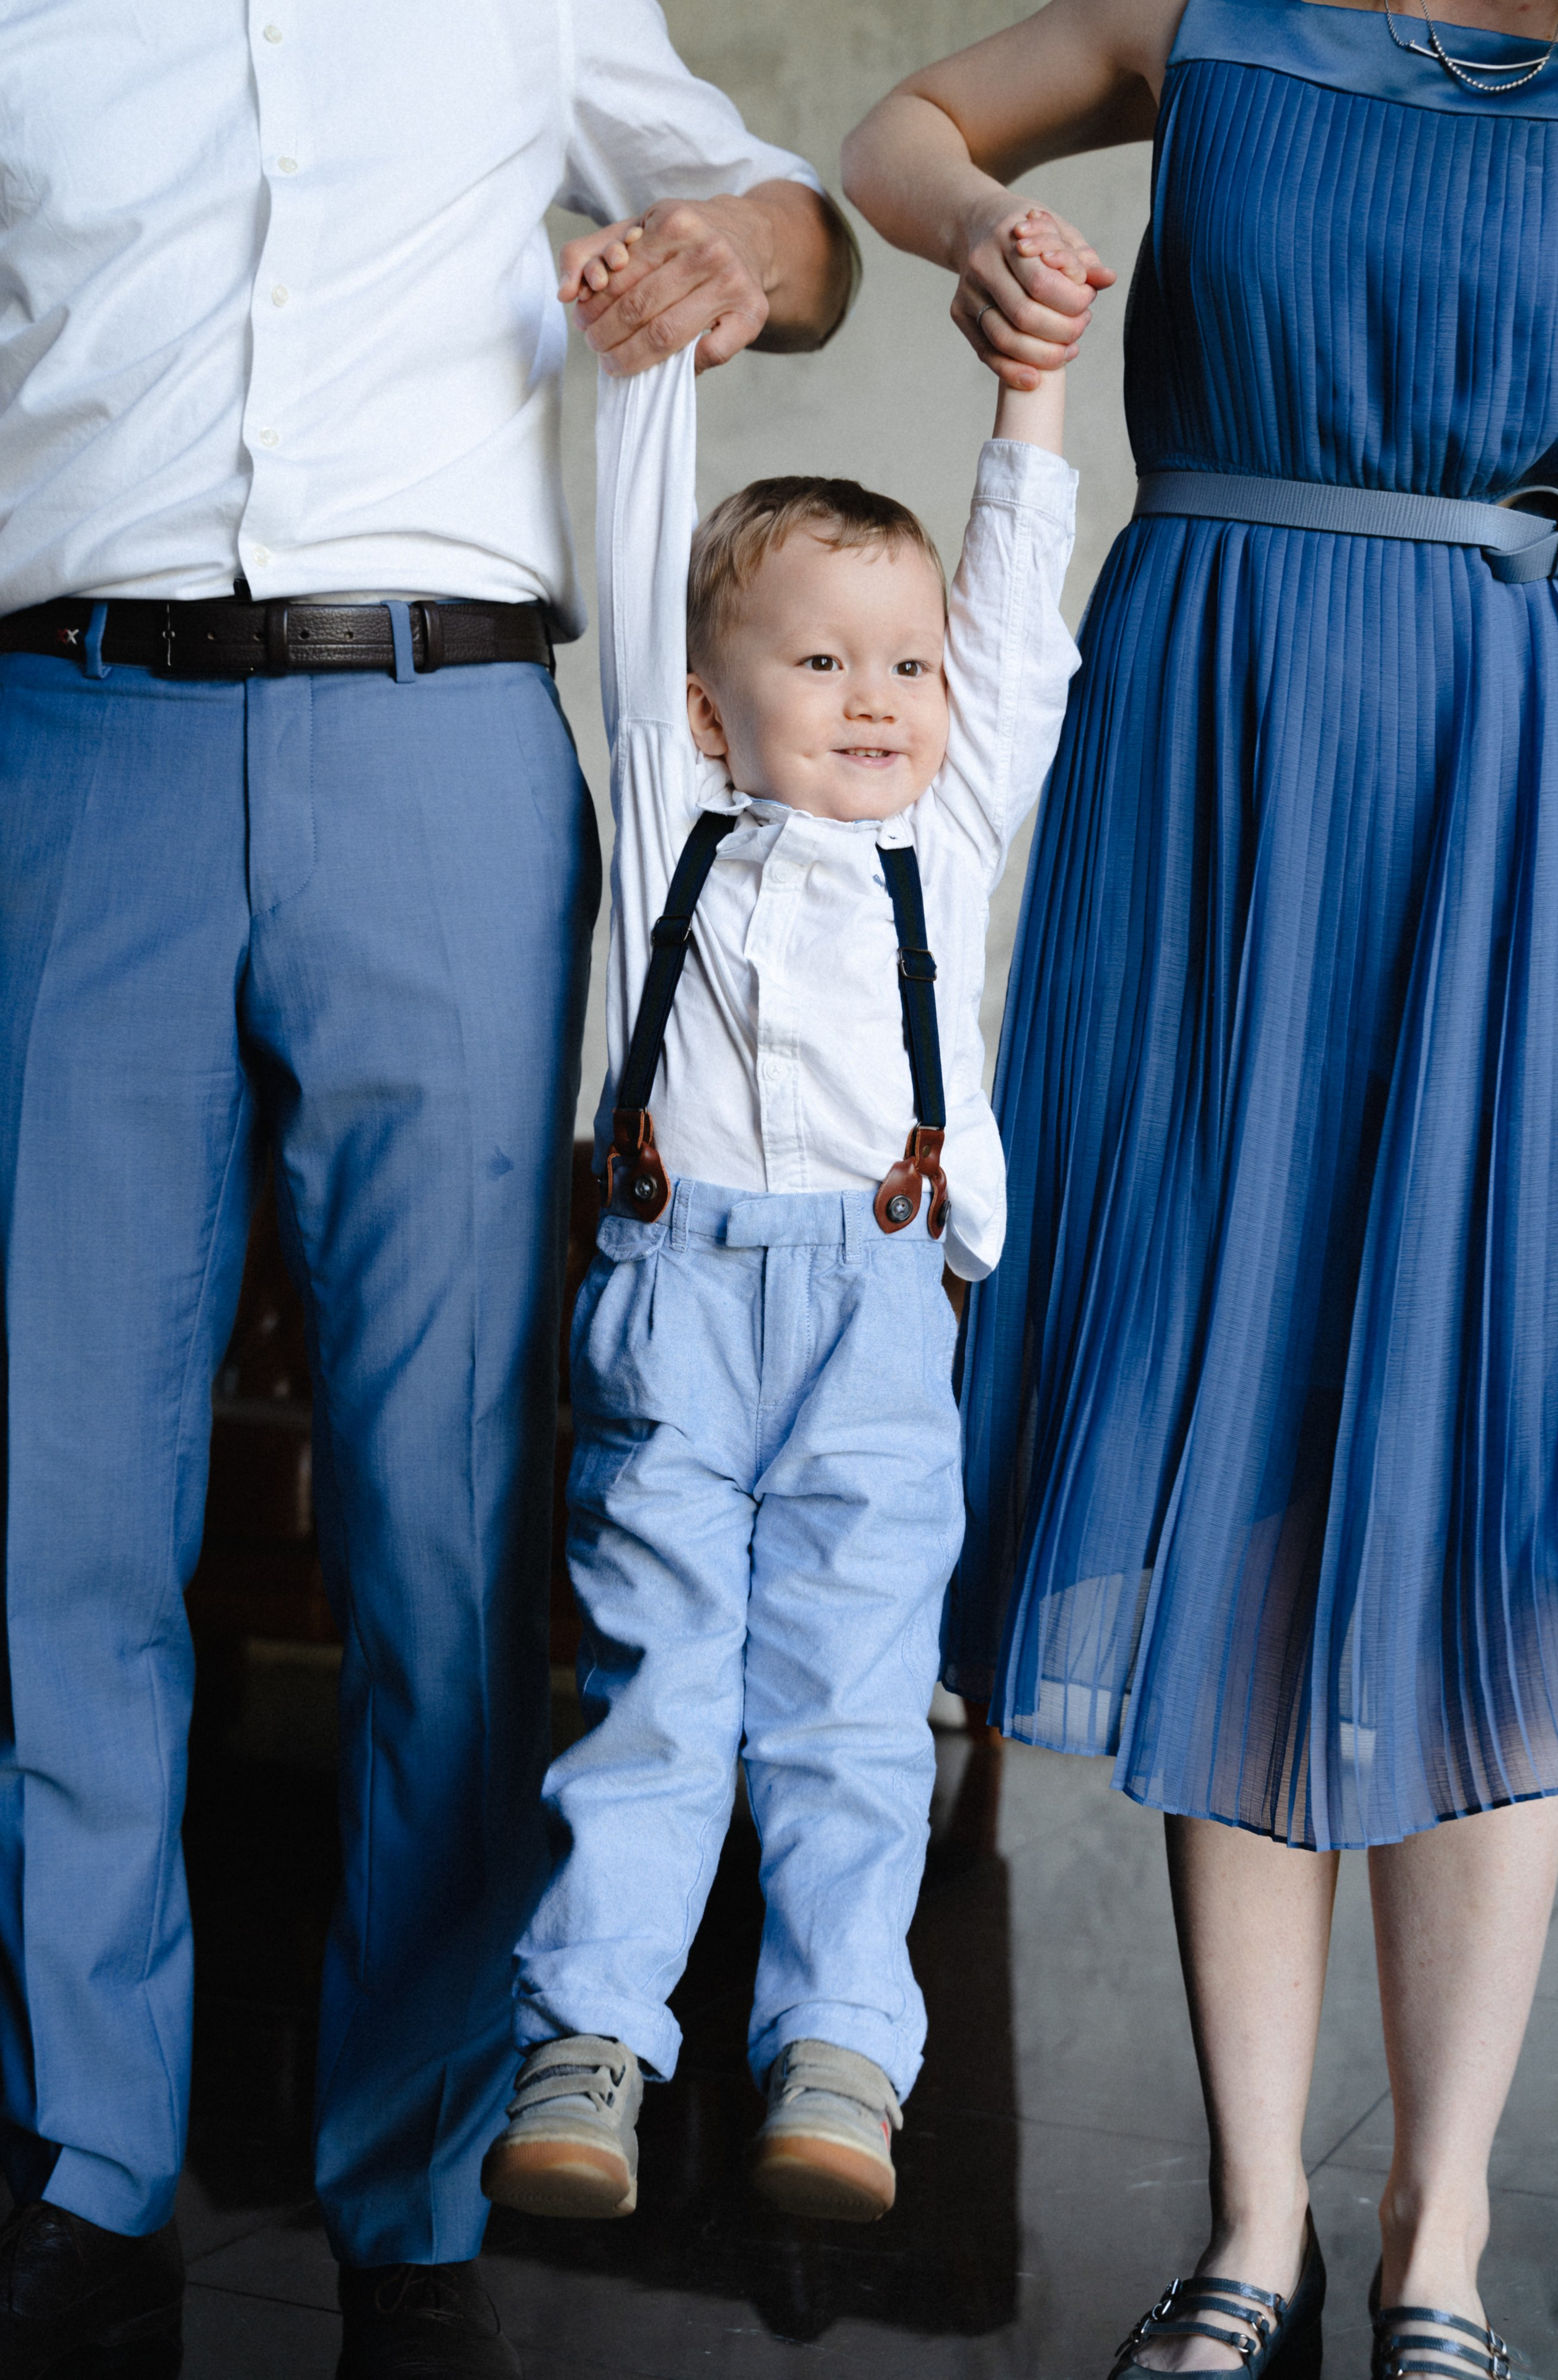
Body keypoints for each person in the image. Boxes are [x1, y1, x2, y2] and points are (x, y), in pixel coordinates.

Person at [0, 8, 853, 2374]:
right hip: (65, 744)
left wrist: (734, 258)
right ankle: (82, 2164)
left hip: (445, 743)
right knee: (47, 1513)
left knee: (451, 1519)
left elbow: (806, 225)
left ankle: (414, 2189)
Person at [843, 0, 1558, 2373]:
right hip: (1217, 755)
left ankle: (1437, 2245)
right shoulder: (1215, 12)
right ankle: (1254, 2221)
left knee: (1485, 1485)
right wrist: (979, 235)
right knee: (1240, 1446)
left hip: (1528, 781)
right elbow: (908, 126)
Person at [472, 223, 1080, 2229]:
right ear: (714, 708)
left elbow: (1015, 631)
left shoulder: (945, 814)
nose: (883, 697)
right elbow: (645, 566)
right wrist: (650, 377)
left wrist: (1029, 399)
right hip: (676, 1294)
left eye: (900, 664)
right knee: (656, 1683)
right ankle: (593, 2040)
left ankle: (839, 2051)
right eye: (823, 661)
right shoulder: (680, 799)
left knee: (845, 1696)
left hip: (884, 1316)